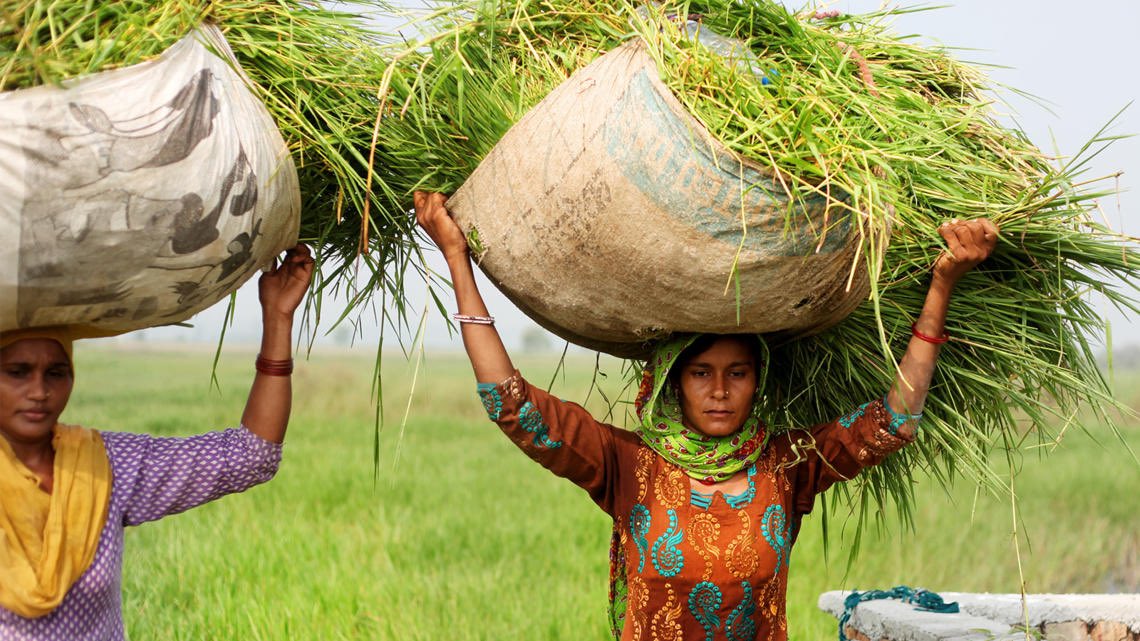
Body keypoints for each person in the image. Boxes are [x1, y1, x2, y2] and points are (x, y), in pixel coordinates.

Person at [414, 191, 999, 641]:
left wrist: (942, 284)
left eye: (737, 373)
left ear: (757, 382)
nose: (720, 391)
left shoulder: (788, 464)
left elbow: (894, 421)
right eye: (700, 374)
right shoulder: (628, 466)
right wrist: (457, 256)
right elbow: (509, 402)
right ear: (673, 382)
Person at [0, 245, 315, 641]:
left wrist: (278, 317)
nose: (39, 391)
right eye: (17, 372)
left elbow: (251, 457)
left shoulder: (104, 466)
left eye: (56, 373)